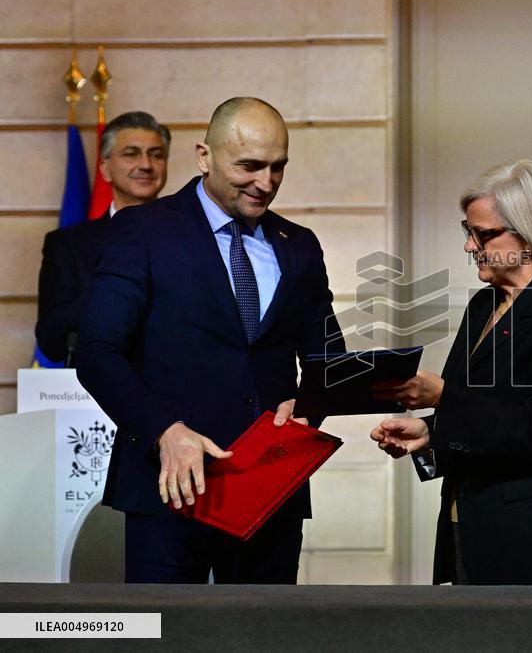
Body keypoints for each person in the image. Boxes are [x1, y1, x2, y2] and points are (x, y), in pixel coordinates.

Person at [76, 97, 345, 584]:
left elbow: (329, 358)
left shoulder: (299, 244)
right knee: (164, 636)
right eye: (249, 166)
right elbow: (97, 352)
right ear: (204, 157)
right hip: (168, 491)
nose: (266, 183)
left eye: (277, 168)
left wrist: (306, 410)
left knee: (264, 638)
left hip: (269, 491)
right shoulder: (142, 232)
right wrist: (164, 431)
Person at [370, 160, 532, 585]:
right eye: (467, 231)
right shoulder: (483, 306)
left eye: (483, 234)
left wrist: (444, 399)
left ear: (529, 236)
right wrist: (431, 434)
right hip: (474, 528)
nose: (470, 246)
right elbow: (486, 414)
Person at [35, 111, 170, 363]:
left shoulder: (192, 236)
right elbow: (50, 340)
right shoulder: (68, 245)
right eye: (131, 154)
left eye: (156, 154)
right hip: (94, 392)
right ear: (105, 168)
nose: (146, 165)